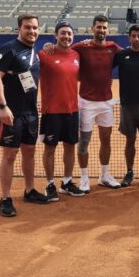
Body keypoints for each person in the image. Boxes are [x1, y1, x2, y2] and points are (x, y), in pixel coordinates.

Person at [0, 12, 49, 217]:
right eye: (27, 27)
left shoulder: (36, 52)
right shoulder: (9, 49)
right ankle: (6, 198)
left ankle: (29, 190)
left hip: (31, 113)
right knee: (10, 154)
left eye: (34, 27)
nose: (31, 31)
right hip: (11, 113)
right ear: (19, 29)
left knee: (29, 151)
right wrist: (2, 106)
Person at [72, 15, 122, 192]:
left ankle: (104, 175)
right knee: (84, 142)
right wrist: (50, 47)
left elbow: (131, 53)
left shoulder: (113, 47)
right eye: (99, 27)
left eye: (104, 27)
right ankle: (84, 177)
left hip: (107, 102)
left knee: (106, 140)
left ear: (108, 30)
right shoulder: (81, 47)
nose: (101, 30)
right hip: (86, 102)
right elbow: (65, 52)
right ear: (92, 28)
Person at [38, 21, 85, 201]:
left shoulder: (76, 55)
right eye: (63, 33)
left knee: (70, 147)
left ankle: (67, 182)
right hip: (52, 112)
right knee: (50, 148)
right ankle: (50, 184)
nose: (66, 36)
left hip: (72, 110)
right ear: (55, 35)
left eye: (69, 33)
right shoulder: (44, 54)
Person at [113, 25, 139, 188]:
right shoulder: (122, 55)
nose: (137, 39)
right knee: (130, 140)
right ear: (129, 38)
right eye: (134, 36)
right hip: (127, 105)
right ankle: (129, 172)